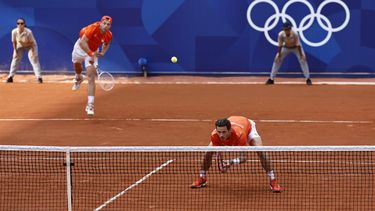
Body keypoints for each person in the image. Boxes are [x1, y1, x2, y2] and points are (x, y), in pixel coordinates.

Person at [190, 116, 283, 193]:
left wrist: (231, 162)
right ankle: (202, 177)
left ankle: (272, 179)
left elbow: (244, 158)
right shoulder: (215, 135)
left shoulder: (240, 135)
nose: (221, 135)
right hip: (234, 121)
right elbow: (218, 152)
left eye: (224, 132)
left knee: (261, 151)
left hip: (248, 126)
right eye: (219, 132)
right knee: (207, 152)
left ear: (230, 130)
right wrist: (221, 164)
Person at [71, 16, 113, 116]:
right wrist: (90, 53)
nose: (106, 25)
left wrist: (102, 53)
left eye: (108, 24)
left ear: (110, 26)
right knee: (77, 67)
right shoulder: (93, 28)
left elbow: (106, 44)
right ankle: (78, 77)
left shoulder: (108, 34)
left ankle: (90, 105)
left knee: (91, 77)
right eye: (104, 23)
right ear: (100, 23)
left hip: (92, 53)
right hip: (80, 49)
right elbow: (83, 42)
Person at [265, 21, 312, 85]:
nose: (287, 31)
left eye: (288, 29)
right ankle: (271, 79)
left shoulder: (295, 33)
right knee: (276, 60)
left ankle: (308, 79)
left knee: (303, 60)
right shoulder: (280, 34)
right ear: (283, 29)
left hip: (296, 48)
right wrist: (279, 55)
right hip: (285, 48)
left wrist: (301, 55)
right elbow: (280, 45)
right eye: (285, 29)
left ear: (290, 29)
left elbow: (298, 45)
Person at [6, 18, 43, 83]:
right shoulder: (14, 31)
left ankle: (39, 77)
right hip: (20, 46)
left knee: (34, 59)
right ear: (16, 25)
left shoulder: (29, 32)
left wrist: (34, 52)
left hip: (30, 46)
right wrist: (15, 51)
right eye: (18, 23)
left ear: (24, 24)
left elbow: (31, 43)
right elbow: (14, 42)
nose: (20, 25)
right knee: (15, 58)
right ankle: (10, 77)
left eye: (22, 23)